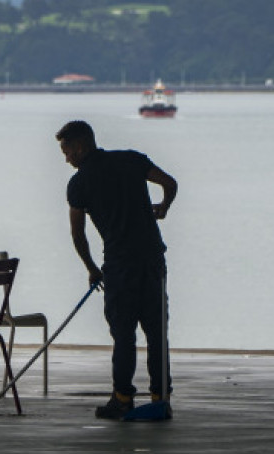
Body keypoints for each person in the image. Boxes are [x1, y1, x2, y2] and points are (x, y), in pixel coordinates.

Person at [56, 120, 178, 419]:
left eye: (67, 149)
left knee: (124, 335)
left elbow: (78, 234)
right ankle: (160, 397)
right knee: (156, 332)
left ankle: (123, 399)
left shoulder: (79, 183)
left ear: (81, 145)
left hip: (120, 265)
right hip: (152, 260)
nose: (66, 157)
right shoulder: (132, 160)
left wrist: (92, 268)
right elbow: (170, 183)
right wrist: (163, 206)